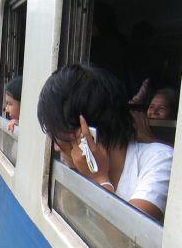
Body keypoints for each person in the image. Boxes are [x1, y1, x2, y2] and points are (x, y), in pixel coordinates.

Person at [37, 64, 172, 222]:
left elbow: (123, 240)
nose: (56, 147)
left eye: (57, 136)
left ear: (85, 133)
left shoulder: (160, 160)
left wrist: (99, 179)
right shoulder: (78, 165)